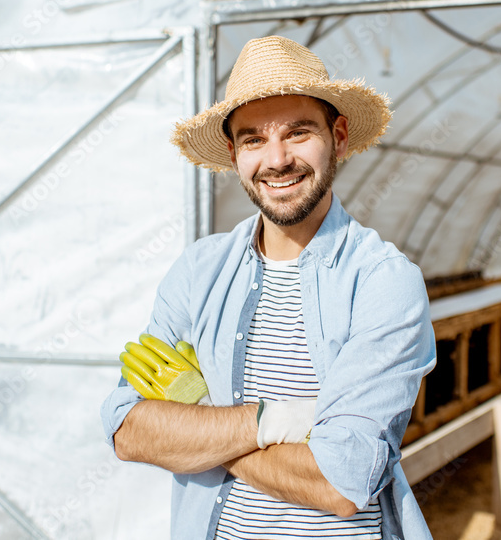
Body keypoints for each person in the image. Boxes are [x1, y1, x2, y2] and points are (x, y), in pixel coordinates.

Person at [100, 35, 436, 540]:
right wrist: (271, 422)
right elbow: (126, 429)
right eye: (254, 139)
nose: (276, 159)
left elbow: (340, 482)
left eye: (299, 133)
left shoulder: (382, 281)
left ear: (338, 137)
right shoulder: (200, 271)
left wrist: (199, 426)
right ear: (235, 153)